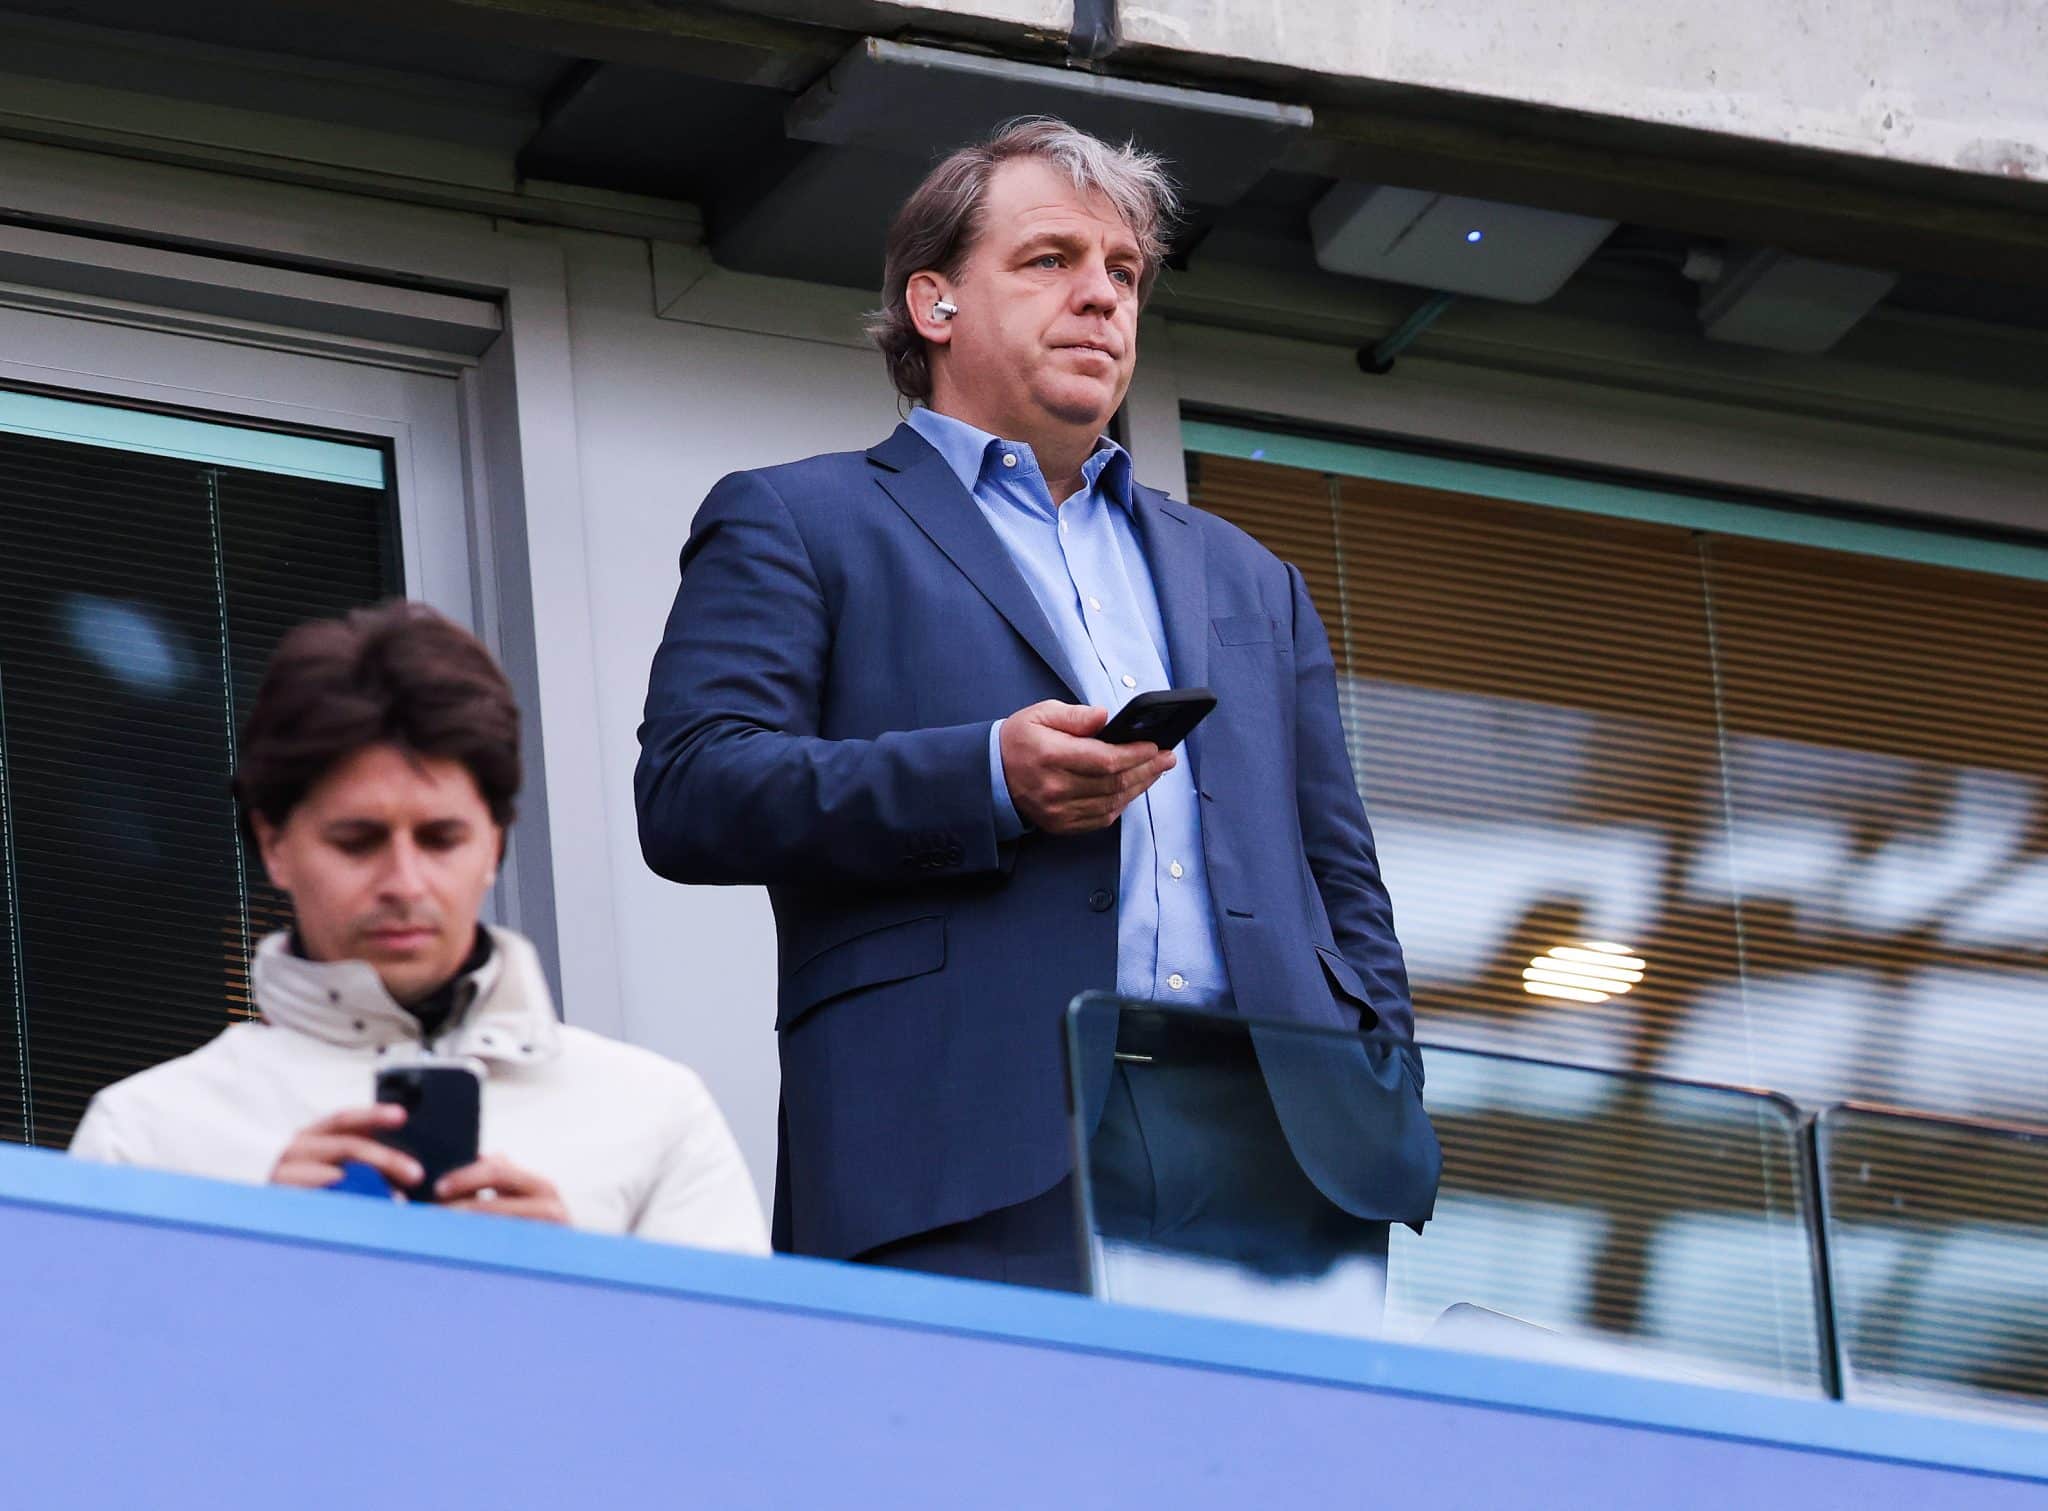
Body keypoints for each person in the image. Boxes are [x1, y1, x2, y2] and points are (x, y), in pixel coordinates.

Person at [636, 117, 1437, 1288]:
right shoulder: (797, 519)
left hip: (1283, 1155)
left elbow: (1338, 872)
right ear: (933, 303)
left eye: (1123, 273)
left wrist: (1381, 1083)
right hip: (964, 1141)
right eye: (1049, 259)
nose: (1101, 297)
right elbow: (692, 788)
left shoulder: (1245, 574)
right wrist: (982, 778)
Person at [72, 601, 768, 1255]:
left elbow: (745, 1379)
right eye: (357, 841)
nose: (404, 883)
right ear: (274, 843)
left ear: (493, 844)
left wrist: (576, 1287)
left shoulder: (655, 1113)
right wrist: (255, 1264)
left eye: (440, 838)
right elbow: (78, 1379)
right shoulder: (144, 1135)